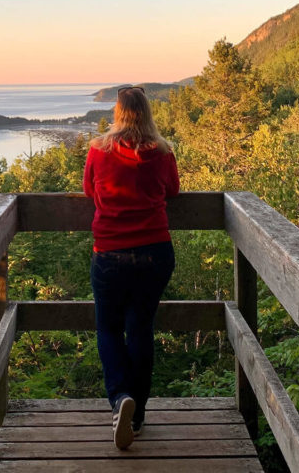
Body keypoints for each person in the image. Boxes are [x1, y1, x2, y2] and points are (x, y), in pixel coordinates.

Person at [83, 85, 180, 450]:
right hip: (155, 252)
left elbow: (89, 190)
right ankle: (136, 418)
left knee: (108, 329)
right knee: (140, 329)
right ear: (148, 111)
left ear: (118, 112)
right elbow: (173, 191)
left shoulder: (98, 150)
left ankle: (120, 397)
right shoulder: (163, 151)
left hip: (109, 253)